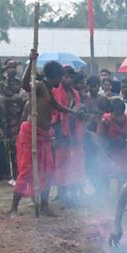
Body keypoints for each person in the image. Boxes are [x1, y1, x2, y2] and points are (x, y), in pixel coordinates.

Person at [10, 51, 74, 216]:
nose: (61, 81)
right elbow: (25, 84)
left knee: (48, 171)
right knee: (27, 171)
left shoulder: (49, 91)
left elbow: (57, 106)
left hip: (44, 136)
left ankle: (44, 206)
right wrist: (31, 62)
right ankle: (13, 207)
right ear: (55, 76)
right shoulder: (39, 86)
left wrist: (72, 112)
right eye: (60, 77)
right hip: (30, 134)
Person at [52, 66, 86, 205]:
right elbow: (54, 113)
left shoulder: (76, 94)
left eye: (71, 77)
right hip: (61, 132)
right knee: (61, 164)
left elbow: (79, 112)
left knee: (75, 164)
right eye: (66, 76)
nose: (69, 79)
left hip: (74, 132)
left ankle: (74, 193)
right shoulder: (55, 92)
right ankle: (61, 193)